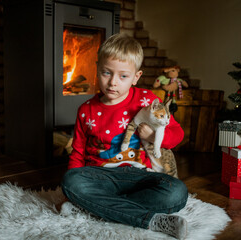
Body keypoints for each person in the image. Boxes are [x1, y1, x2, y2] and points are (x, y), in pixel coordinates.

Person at [61, 33, 188, 239]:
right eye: (106, 73)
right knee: (70, 181)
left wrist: (154, 136)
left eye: (123, 76)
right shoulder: (86, 110)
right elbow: (77, 152)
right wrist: (72, 191)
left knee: (177, 192)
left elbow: (177, 133)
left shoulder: (147, 100)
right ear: (97, 69)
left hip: (141, 175)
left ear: (136, 77)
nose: (112, 82)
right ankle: (150, 219)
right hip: (101, 176)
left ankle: (96, 207)